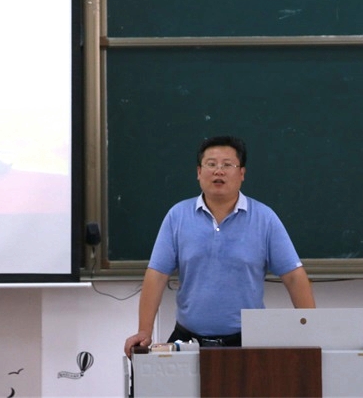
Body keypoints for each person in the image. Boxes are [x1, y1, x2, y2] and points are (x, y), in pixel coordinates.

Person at [123, 136, 315, 357]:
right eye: (211, 164)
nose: (219, 171)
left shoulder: (264, 218)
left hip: (248, 341)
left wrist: (311, 331)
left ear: (242, 173)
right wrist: (144, 331)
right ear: (199, 172)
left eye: (227, 165)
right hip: (188, 340)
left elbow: (294, 276)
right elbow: (157, 275)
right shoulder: (178, 216)